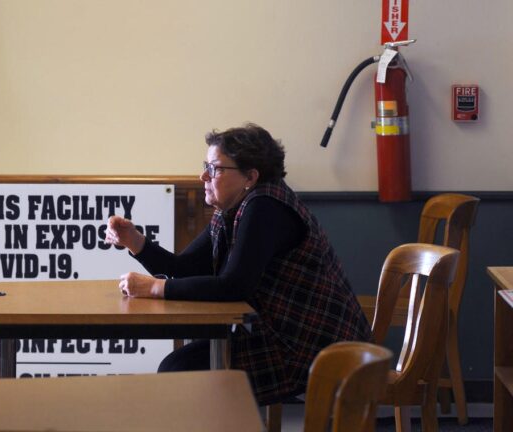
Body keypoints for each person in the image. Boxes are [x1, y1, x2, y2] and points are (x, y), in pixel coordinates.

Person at [104, 123, 372, 403]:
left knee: (179, 371)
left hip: (312, 347)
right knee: (180, 368)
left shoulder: (265, 208)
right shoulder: (233, 205)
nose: (203, 176)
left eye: (216, 168)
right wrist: (135, 241)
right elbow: (185, 268)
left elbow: (234, 287)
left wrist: (155, 288)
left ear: (250, 177)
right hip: (277, 334)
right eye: (205, 165)